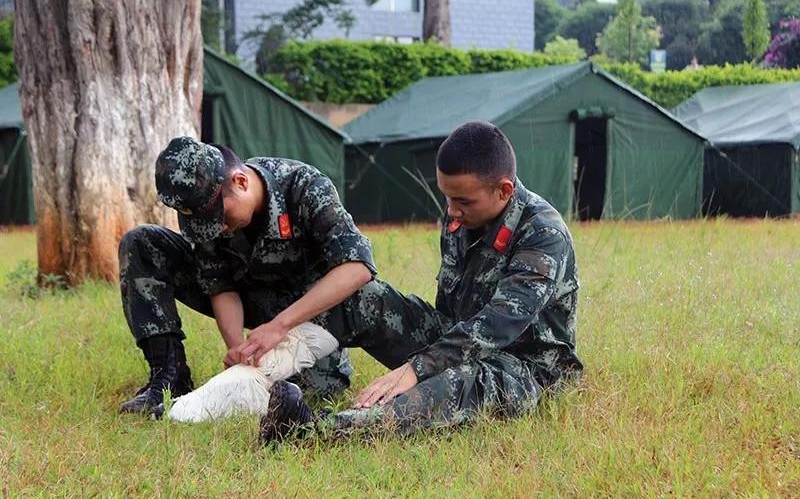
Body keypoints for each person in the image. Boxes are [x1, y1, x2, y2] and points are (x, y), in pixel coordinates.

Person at [254, 120, 583, 441]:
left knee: (454, 385)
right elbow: (449, 314)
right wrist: (426, 361)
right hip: (457, 341)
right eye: (447, 197)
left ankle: (309, 430)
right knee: (362, 297)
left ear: (504, 190)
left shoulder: (542, 233)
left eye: (463, 201)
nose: (452, 211)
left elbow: (498, 324)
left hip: (526, 369)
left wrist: (417, 369)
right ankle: (295, 385)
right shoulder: (461, 217)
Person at [118, 136, 376, 415]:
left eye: (221, 217)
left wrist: (279, 326)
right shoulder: (207, 211)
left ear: (241, 182)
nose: (218, 228)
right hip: (251, 298)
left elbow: (358, 267)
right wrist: (241, 351)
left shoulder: (305, 187)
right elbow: (220, 284)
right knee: (142, 242)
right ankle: (169, 378)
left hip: (307, 316)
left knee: (311, 390)